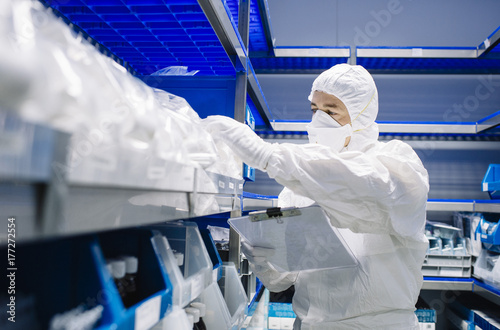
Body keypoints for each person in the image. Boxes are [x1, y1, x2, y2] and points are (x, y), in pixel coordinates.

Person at [203, 64, 429, 330]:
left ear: (361, 116)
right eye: (314, 110)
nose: (319, 120)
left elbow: (362, 187)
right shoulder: (298, 185)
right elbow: (281, 281)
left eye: (331, 111)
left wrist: (269, 156)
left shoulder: (397, 164)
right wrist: (266, 260)